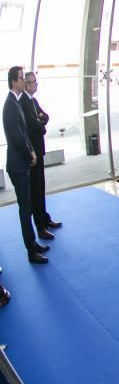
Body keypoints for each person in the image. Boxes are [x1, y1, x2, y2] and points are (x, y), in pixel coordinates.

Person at [3, 66, 49, 264]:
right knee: (25, 208)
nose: (24, 81)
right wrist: (29, 153)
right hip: (18, 165)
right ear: (14, 82)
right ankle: (31, 250)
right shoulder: (11, 104)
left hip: (22, 163)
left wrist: (30, 149)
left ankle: (33, 243)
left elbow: (24, 132)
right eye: (22, 78)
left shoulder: (15, 102)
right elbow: (18, 135)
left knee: (28, 206)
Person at [21, 72, 61, 238]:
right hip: (32, 153)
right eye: (33, 82)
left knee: (41, 187)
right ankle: (40, 226)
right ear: (26, 84)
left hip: (39, 150)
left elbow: (46, 117)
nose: (36, 85)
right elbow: (35, 125)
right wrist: (40, 122)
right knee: (35, 189)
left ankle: (44, 218)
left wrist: (40, 121)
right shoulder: (23, 102)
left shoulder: (33, 101)